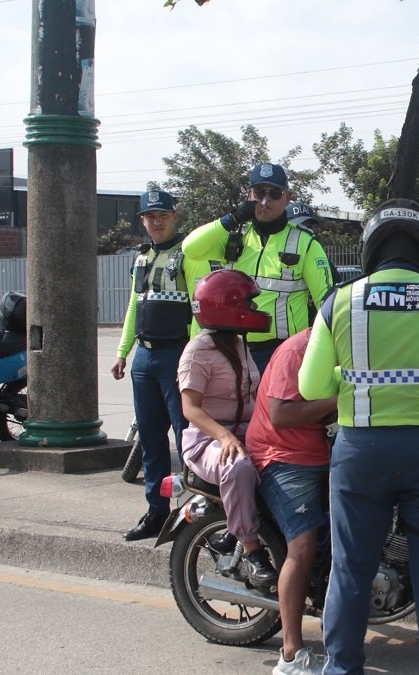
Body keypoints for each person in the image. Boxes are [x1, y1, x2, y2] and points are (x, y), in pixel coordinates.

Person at [298, 199, 419, 675]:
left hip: (361, 454)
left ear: (370, 249)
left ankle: (343, 668)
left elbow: (311, 388)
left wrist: (349, 375)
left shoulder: (339, 301)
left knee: (351, 566)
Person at [245, 327, 337, 675]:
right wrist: (340, 399)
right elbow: (281, 415)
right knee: (303, 543)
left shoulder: (350, 346)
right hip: (282, 456)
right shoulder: (297, 350)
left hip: (323, 450)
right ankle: (290, 654)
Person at [182, 163, 333, 373]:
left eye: (274, 193)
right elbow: (190, 249)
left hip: (282, 352)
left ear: (288, 197)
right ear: (250, 194)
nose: (265, 200)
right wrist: (232, 219)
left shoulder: (305, 242)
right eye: (260, 192)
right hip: (232, 348)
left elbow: (327, 304)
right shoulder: (235, 235)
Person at [178, 268, 277, 588]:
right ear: (225, 305)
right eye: (248, 303)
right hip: (207, 439)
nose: (254, 309)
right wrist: (225, 436)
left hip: (246, 430)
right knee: (238, 467)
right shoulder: (197, 351)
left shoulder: (238, 345)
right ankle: (252, 551)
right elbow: (190, 408)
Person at [112, 187, 194, 542]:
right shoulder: (142, 257)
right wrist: (122, 351)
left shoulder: (189, 253)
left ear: (175, 217)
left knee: (187, 437)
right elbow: (134, 306)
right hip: (144, 358)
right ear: (142, 220)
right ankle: (156, 512)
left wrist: (196, 354)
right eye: (150, 216)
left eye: (163, 215)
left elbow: (198, 307)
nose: (156, 222)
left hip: (177, 353)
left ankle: (194, 513)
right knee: (150, 438)